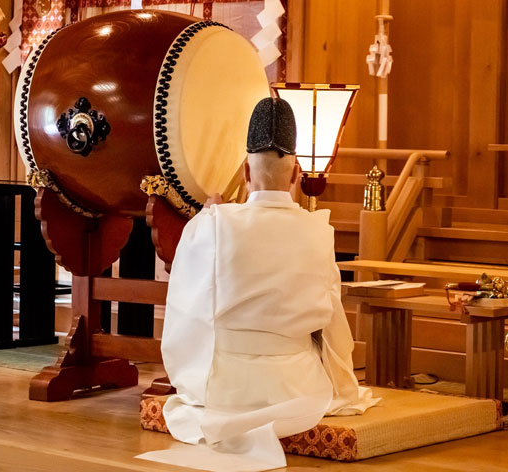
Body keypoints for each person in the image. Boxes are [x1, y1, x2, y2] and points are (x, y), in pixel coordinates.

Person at [138, 97, 378, 472]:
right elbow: (333, 327)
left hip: (225, 388)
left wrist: (206, 219)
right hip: (298, 387)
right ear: (297, 174)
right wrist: (342, 383)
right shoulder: (319, 231)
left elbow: (186, 310)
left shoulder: (216, 223)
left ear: (247, 176)